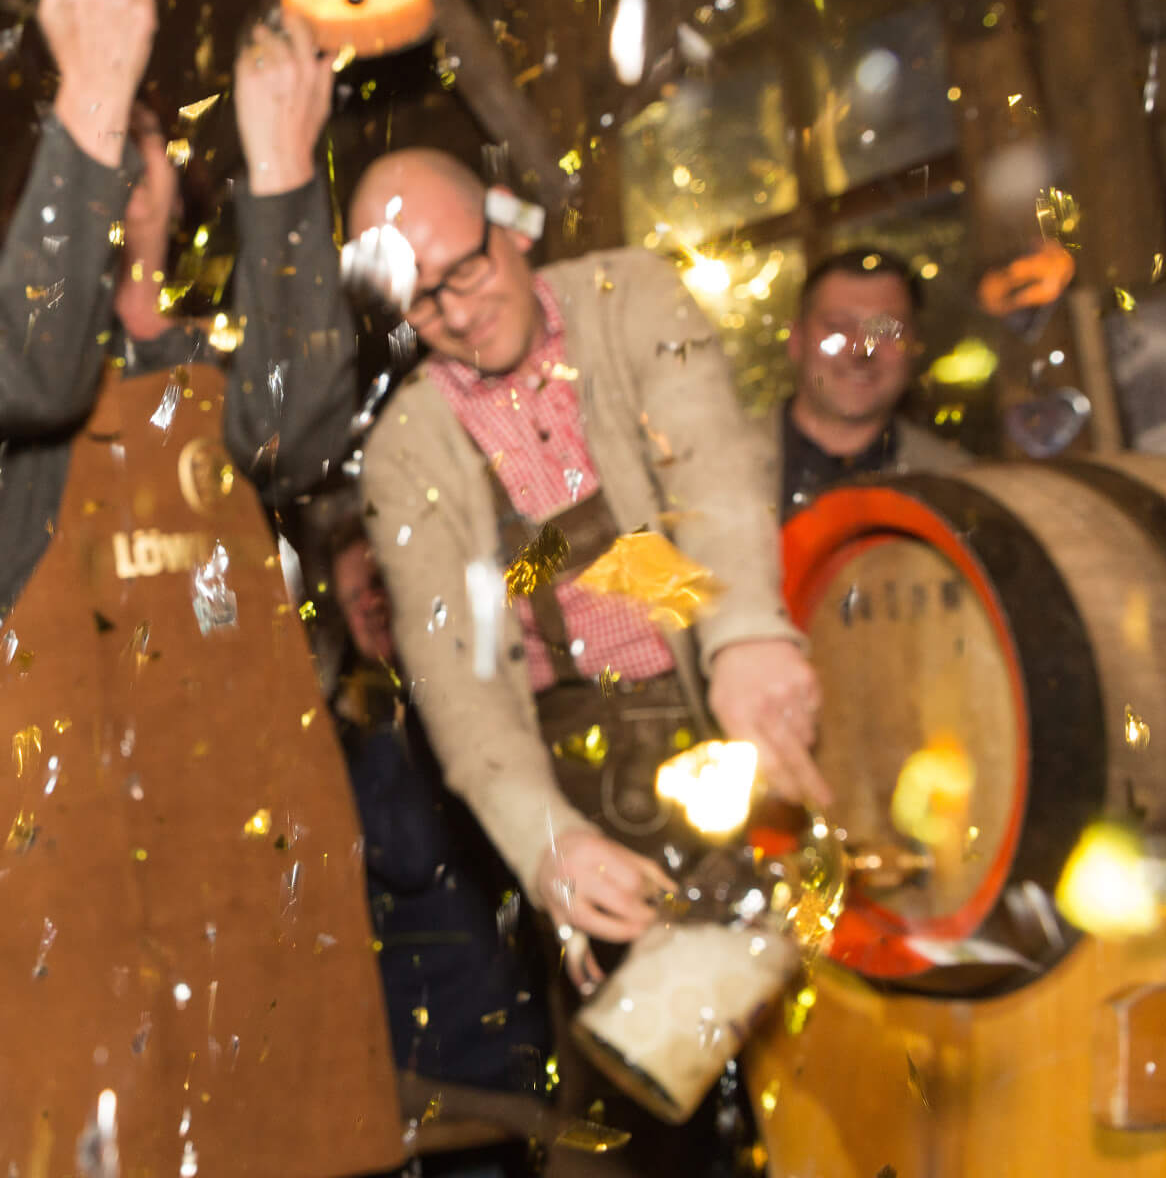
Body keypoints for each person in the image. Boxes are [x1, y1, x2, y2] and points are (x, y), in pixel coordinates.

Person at [0, 0, 403, 1177]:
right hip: (52, 817)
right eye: (92, 151)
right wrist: (90, 91)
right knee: (81, 1141)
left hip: (241, 826)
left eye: (143, 142)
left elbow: (302, 437)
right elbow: (28, 377)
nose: (126, 172)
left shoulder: (212, 359)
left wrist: (288, 174)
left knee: (277, 1132)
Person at [346, 150, 829, 1174]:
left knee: (833, 1071)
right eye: (420, 301)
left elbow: (710, 475)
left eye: (467, 270)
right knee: (633, 1117)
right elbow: (456, 684)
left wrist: (742, 633)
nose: (459, 313)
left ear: (512, 227)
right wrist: (544, 843)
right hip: (576, 779)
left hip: (723, 707)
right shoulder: (405, 450)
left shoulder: (632, 294)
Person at [322, 519, 552, 1177]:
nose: (369, 604)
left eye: (378, 583)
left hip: (514, 1049)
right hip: (445, 1067)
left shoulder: (483, 692)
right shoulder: (363, 729)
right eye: (350, 598)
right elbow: (408, 851)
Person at [778, 247, 969, 516]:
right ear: (796, 340)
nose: (861, 350)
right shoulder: (711, 463)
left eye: (885, 330)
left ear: (914, 344)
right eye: (837, 326)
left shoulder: (956, 490)